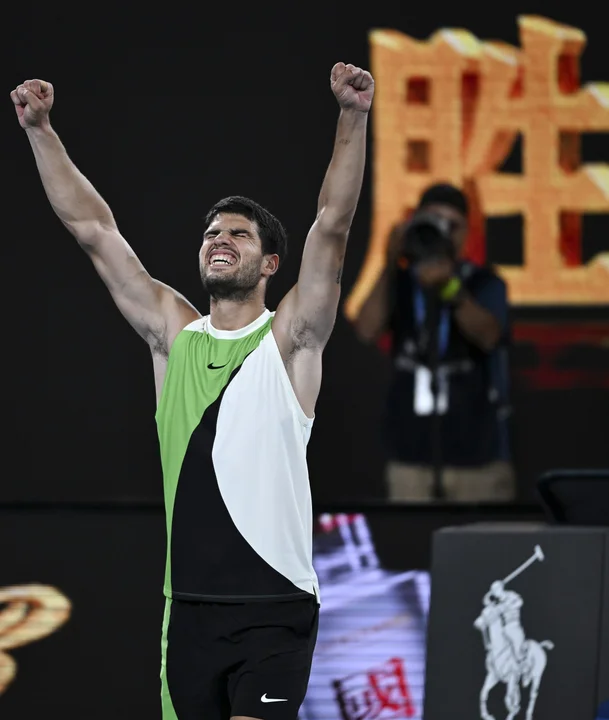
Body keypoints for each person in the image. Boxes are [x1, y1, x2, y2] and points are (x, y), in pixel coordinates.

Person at [11, 62, 374, 720]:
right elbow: (94, 230)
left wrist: (352, 115)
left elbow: (332, 225)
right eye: (211, 233)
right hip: (189, 616)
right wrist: (40, 130)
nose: (219, 239)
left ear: (269, 264)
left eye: (238, 233)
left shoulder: (291, 340)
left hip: (275, 611)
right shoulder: (172, 337)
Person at [353, 183, 515, 503]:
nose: (443, 233)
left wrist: (450, 288)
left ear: (466, 234)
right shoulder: (401, 283)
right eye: (433, 221)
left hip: (478, 458)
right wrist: (390, 263)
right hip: (411, 457)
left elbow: (489, 336)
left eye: (452, 225)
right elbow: (366, 330)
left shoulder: (484, 282)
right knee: (410, 535)